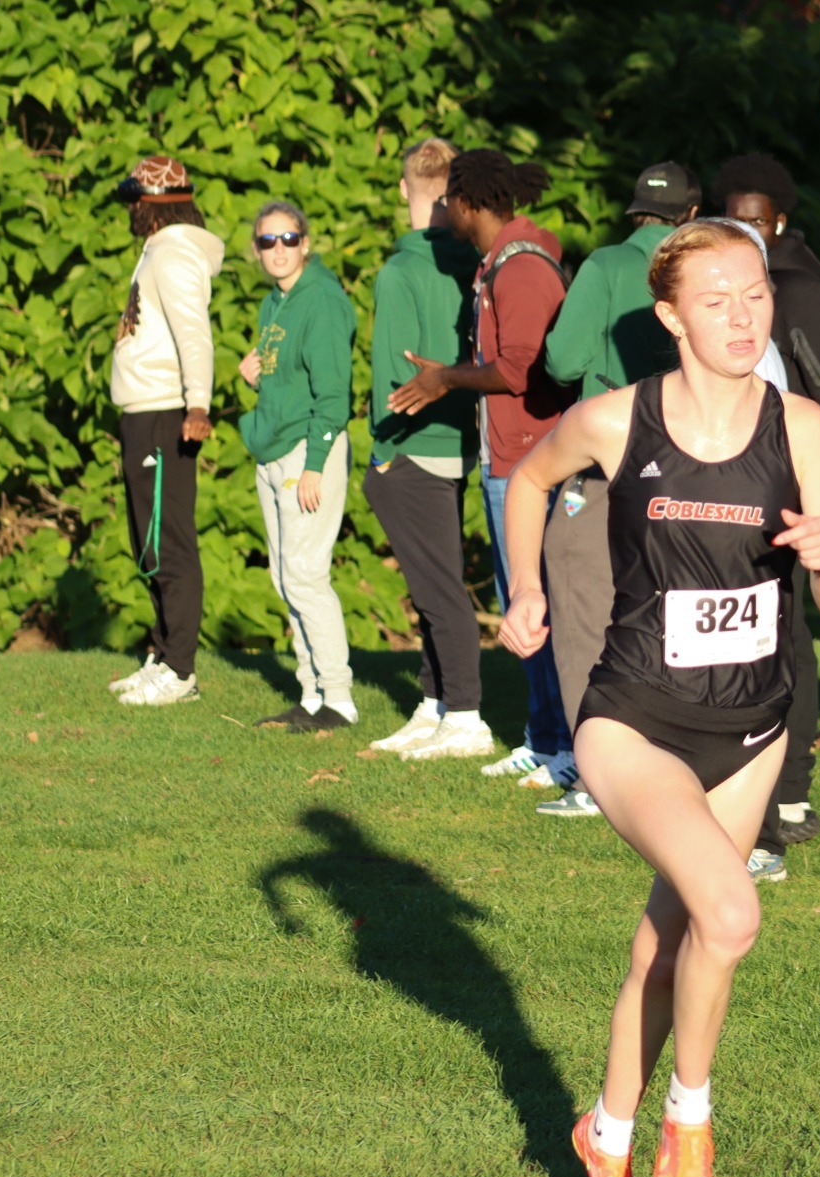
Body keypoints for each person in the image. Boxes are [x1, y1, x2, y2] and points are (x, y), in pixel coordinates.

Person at [495, 220, 820, 1177]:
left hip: (752, 727)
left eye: (755, 295)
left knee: (669, 943)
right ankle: (686, 1128)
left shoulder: (804, 429)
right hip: (634, 719)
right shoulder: (617, 420)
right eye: (716, 300)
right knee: (730, 915)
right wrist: (525, 587)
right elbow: (530, 478)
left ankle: (605, 1134)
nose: (743, 317)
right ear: (670, 317)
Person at [389, 150, 576, 783]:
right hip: (510, 456)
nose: (444, 210)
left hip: (530, 460)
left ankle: (567, 748)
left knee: (534, 604)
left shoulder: (519, 270)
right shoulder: (499, 263)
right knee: (517, 601)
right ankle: (543, 738)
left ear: (468, 203)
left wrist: (445, 379)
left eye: (450, 200)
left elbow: (519, 370)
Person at [711, 153, 820, 881]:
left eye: (760, 221)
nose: (749, 231)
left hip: (793, 493)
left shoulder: (797, 289)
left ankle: (783, 798)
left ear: (781, 220)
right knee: (774, 638)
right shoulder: (741, 283)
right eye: (735, 219)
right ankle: (777, 793)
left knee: (779, 643)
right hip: (751, 487)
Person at [533, 162, 703, 818]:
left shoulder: (605, 266)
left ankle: (596, 777)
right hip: (695, 463)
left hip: (607, 465)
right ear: (692, 215)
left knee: (582, 607)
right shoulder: (704, 268)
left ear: (636, 211)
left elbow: (563, 361)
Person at [361, 137, 497, 761]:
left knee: (437, 589)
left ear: (404, 190)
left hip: (412, 444)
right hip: (462, 440)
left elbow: (394, 377)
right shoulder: (476, 263)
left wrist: (381, 451)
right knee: (433, 581)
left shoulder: (399, 271)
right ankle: (434, 701)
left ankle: (464, 714)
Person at [238, 201, 359, 731]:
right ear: (257, 250)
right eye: (268, 241)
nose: (279, 249)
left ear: (305, 244)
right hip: (273, 451)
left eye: (288, 239)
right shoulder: (275, 303)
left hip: (308, 451)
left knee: (306, 575)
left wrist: (315, 464)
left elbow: (333, 394)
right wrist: (255, 376)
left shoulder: (323, 301)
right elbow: (289, 378)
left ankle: (339, 699)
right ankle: (311, 696)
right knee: (285, 577)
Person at [108, 155, 224, 708]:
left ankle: (180, 670)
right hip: (143, 412)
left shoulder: (175, 253)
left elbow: (194, 334)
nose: (129, 209)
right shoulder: (158, 249)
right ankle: (162, 653)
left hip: (164, 413)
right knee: (147, 541)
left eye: (134, 199)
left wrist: (197, 404)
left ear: (154, 204)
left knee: (168, 542)